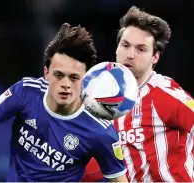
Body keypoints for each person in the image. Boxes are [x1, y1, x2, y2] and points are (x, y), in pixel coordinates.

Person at [0, 23, 128, 182]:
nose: (66, 85)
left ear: (87, 79)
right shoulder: (25, 92)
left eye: (74, 78)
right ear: (46, 73)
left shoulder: (100, 130)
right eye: (59, 75)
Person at [83, 6, 194, 182]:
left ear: (155, 57)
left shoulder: (165, 95)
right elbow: (98, 167)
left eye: (141, 49)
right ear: (117, 48)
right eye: (125, 45)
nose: (130, 55)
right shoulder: (100, 102)